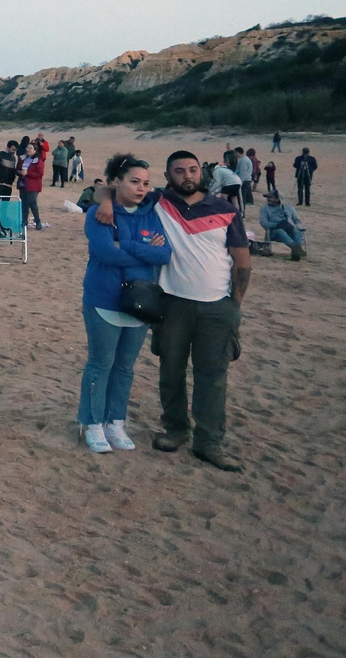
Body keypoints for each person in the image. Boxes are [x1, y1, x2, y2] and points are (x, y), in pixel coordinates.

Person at [103, 151, 249, 472]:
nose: (187, 176)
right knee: (171, 371)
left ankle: (209, 442)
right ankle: (175, 429)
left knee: (212, 377)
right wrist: (104, 201)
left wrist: (234, 305)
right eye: (179, 171)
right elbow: (106, 189)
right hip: (172, 304)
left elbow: (241, 260)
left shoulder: (225, 209)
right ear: (168, 177)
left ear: (203, 173)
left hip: (217, 307)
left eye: (193, 170)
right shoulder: (157, 202)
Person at [79, 154, 171, 454]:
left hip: (142, 303)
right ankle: (92, 424)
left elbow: (164, 253)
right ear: (116, 182)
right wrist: (145, 248)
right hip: (104, 299)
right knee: (100, 365)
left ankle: (115, 422)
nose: (141, 188)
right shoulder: (99, 213)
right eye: (134, 181)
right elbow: (106, 252)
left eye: (145, 182)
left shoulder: (151, 212)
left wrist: (128, 245)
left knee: (125, 367)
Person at [257, 191, 307, 260]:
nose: (268, 199)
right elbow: (263, 222)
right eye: (267, 197)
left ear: (278, 199)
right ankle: (297, 249)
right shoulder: (264, 209)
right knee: (280, 231)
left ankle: (295, 254)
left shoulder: (289, 208)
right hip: (273, 232)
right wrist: (277, 225)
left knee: (298, 232)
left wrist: (296, 227)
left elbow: (297, 220)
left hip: (289, 229)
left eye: (270, 197)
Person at [16, 142, 47, 230]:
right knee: (24, 204)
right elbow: (17, 169)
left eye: (30, 148)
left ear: (35, 150)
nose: (28, 150)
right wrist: (19, 172)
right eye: (27, 148)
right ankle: (24, 222)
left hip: (33, 186)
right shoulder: (22, 159)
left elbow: (40, 174)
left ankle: (37, 221)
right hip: (23, 184)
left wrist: (28, 173)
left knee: (32, 202)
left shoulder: (38, 161)